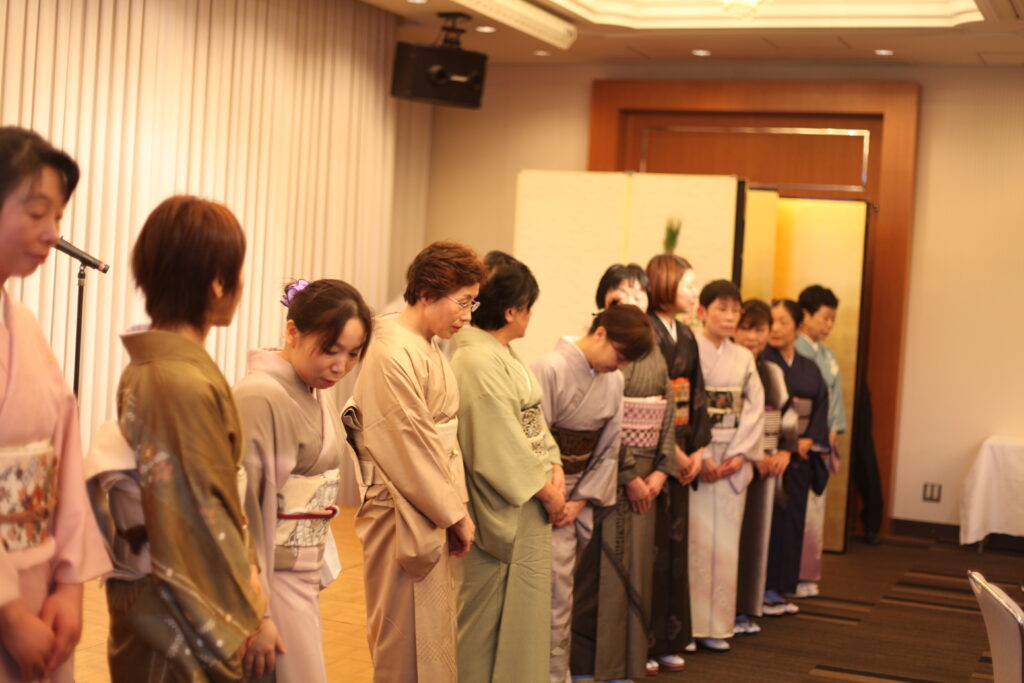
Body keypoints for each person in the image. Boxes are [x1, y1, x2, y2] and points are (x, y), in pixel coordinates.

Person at [94, 195, 265, 680]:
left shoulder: (162, 367)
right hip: (174, 612)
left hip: (161, 594)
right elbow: (201, 516)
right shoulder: (179, 380)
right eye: (238, 270)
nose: (242, 283)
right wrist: (251, 605)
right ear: (217, 282)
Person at [342, 241, 486, 683]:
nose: (467, 315)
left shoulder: (424, 343)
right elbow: (408, 445)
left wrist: (453, 508)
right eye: (463, 302)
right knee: (402, 637)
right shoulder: (390, 351)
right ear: (426, 293)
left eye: (473, 303)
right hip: (402, 506)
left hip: (428, 503)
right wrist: (454, 513)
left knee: (434, 633)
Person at [0, 127, 111, 682]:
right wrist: (8, 613)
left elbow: (63, 461)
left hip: (40, 587)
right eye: (37, 212)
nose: (53, 233)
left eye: (59, 216)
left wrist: (69, 586)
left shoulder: (24, 323)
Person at [234, 278, 372, 682]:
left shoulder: (313, 389)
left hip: (301, 571)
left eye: (352, 354)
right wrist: (256, 612)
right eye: (330, 350)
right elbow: (242, 513)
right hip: (267, 576)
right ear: (292, 332)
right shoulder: (259, 395)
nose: (340, 367)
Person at [451, 253, 565, 683]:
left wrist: (555, 464)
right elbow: (496, 443)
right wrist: (546, 490)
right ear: (512, 311)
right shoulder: (475, 361)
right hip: (507, 505)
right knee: (484, 623)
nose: (531, 315)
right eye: (529, 306)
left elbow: (534, 423)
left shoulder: (502, 354)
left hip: (530, 501)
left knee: (523, 616)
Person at [532, 304, 652, 683]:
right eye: (620, 356)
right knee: (541, 594)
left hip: (576, 498)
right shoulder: (548, 368)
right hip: (540, 496)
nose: (619, 367)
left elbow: (609, 448)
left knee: (562, 597)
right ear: (600, 333)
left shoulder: (614, 381)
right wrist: (553, 497)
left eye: (626, 362)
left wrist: (579, 502)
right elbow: (535, 440)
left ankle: (556, 675)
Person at [570, 264, 675, 682]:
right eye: (622, 292)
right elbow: (609, 420)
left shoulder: (654, 349)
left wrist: (662, 471)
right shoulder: (600, 351)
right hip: (613, 475)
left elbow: (668, 410)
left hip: (650, 475)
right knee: (599, 571)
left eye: (639, 293)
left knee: (638, 571)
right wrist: (630, 476)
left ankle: (628, 660)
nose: (632, 300)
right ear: (605, 300)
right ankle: (588, 664)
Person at [643, 253, 710, 674]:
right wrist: (674, 452)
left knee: (676, 547)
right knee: (650, 550)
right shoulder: (645, 331)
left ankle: (670, 637)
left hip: (684, 445)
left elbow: (697, 394)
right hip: (653, 452)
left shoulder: (686, 334)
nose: (694, 292)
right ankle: (645, 641)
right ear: (666, 284)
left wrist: (698, 449)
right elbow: (650, 399)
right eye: (689, 284)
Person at [689, 280, 764, 652]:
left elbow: (755, 407)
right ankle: (690, 626)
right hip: (698, 455)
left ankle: (718, 626)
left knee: (726, 545)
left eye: (736, 310)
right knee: (697, 544)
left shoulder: (744, 357)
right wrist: (700, 454)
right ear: (702, 311)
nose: (730, 317)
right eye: (722, 308)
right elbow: (684, 403)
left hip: (733, 456)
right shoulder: (690, 349)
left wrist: (740, 453)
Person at [732, 299, 798, 636]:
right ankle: (727, 610)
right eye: (746, 329)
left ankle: (747, 607)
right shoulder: (728, 366)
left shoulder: (772, 371)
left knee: (757, 538)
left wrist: (784, 451)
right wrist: (752, 455)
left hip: (768, 465)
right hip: (735, 461)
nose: (753, 337)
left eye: (759, 330)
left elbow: (787, 414)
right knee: (732, 539)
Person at [762, 299, 830, 616]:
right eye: (771, 322)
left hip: (800, 455)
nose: (775, 329)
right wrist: (785, 446)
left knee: (793, 520)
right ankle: (762, 588)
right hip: (771, 453)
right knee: (769, 521)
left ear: (798, 327)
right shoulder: (763, 362)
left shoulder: (809, 367)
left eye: (783, 322)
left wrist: (809, 439)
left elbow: (821, 405)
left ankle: (781, 587)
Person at [794, 285, 846, 596]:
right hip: (800, 438)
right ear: (805, 315)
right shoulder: (794, 350)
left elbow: (834, 399)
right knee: (797, 508)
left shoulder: (828, 355)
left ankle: (807, 573)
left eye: (832, 320)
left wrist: (832, 429)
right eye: (824, 318)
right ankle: (793, 573)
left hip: (822, 439)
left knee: (815, 507)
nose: (828, 325)